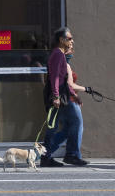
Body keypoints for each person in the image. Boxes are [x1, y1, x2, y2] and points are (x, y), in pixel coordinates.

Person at [41, 26, 88, 166]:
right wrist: (55, 96)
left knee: (57, 126)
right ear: (61, 40)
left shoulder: (60, 54)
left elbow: (64, 79)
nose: (72, 40)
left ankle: (47, 156)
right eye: (69, 38)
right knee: (73, 123)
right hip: (59, 96)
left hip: (63, 95)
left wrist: (74, 95)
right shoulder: (57, 54)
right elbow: (55, 77)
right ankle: (70, 155)